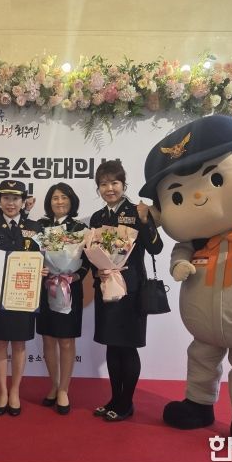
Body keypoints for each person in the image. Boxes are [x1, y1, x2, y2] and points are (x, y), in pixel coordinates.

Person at [89, 159, 162, 422]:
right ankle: (114, 398)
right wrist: (96, 270)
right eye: (104, 184)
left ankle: (126, 403)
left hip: (132, 290)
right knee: (112, 346)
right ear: (98, 188)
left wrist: (144, 220)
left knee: (128, 347)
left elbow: (156, 248)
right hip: (106, 290)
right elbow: (91, 253)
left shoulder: (137, 211)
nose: (109, 188)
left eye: (114, 183)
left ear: (124, 184)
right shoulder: (97, 218)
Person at [0, 180, 42, 416]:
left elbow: (41, 258)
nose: (11, 203)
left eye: (15, 198)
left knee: (19, 344)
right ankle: (2, 392)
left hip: (23, 296)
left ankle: (15, 391)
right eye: (6, 198)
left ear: (23, 201)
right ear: (0, 201)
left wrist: (43, 269)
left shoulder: (34, 227)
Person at [36, 183, 89, 415]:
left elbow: (88, 260)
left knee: (66, 340)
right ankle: (54, 385)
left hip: (70, 288)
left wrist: (76, 275)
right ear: (49, 202)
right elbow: (31, 253)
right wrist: (39, 268)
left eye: (64, 197)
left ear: (71, 200)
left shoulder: (81, 228)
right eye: (55, 198)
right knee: (48, 338)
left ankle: (65, 389)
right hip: (46, 287)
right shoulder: (40, 227)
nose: (59, 202)